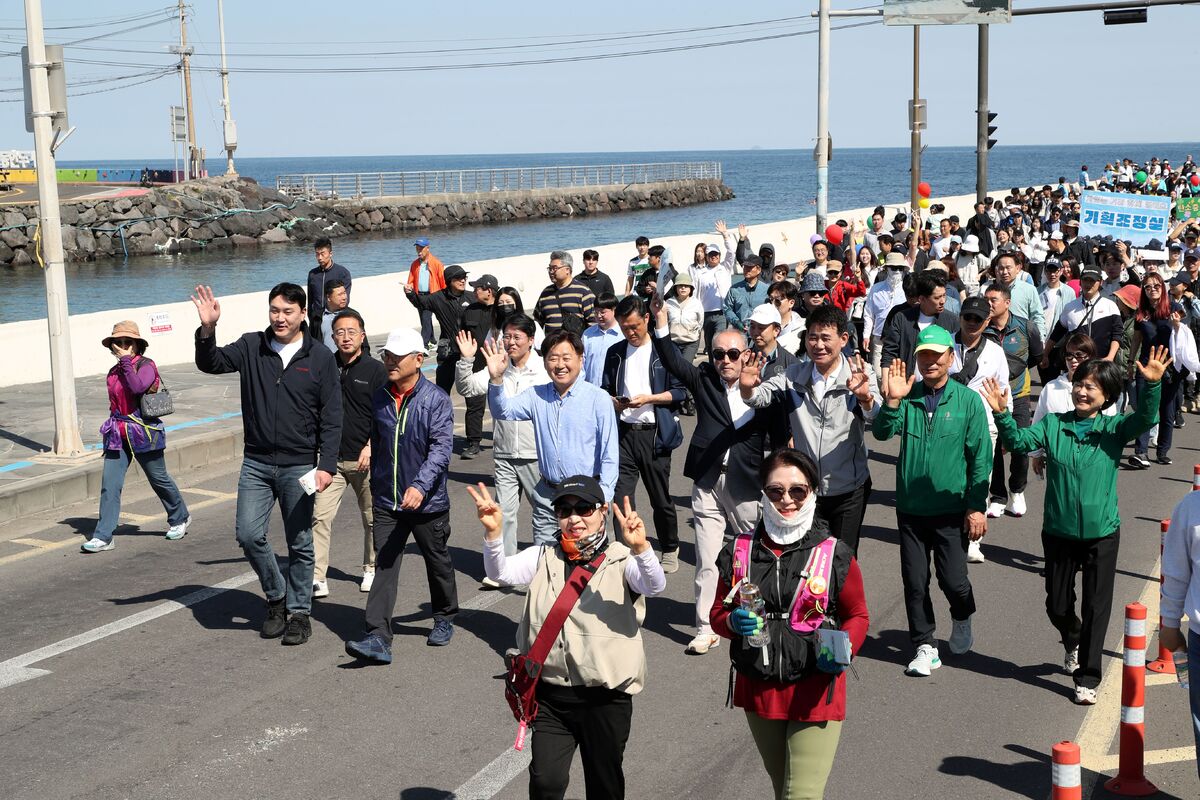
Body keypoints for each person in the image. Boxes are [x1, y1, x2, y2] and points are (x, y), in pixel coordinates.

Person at [980, 346, 1170, 704]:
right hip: (1059, 532)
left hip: (1102, 534)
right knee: (1057, 605)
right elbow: (1018, 442)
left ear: (1107, 396)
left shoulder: (1113, 429)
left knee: (1096, 608)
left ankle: (1087, 676)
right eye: (1079, 384)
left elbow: (1145, 418)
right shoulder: (1054, 423)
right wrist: (1003, 415)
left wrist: (1154, 386)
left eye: (1092, 388)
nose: (1082, 391)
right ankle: (1072, 636)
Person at [470, 477, 665, 800]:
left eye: (584, 508)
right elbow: (500, 573)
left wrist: (641, 548)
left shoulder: (620, 559)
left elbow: (653, 585)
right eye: (564, 510)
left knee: (604, 787)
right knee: (546, 783)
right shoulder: (543, 556)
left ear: (602, 512)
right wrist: (493, 534)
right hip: (550, 698)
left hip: (605, 699)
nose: (574, 518)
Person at [709, 449, 869, 800]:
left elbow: (858, 614)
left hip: (816, 685)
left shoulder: (834, 552)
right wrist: (733, 622)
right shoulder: (739, 550)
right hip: (760, 685)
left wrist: (845, 646)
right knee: (783, 789)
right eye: (776, 491)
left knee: (801, 795)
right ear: (763, 493)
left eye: (798, 491)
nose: (787, 500)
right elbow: (717, 615)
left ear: (812, 492)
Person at [192, 283, 342, 646]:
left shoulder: (320, 357)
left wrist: (326, 465)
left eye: (288, 311)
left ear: (303, 314)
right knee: (248, 534)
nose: (280, 317)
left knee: (301, 542)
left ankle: (300, 613)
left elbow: (332, 417)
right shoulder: (251, 345)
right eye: (275, 310)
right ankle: (276, 598)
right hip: (257, 462)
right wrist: (208, 329)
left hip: (299, 465)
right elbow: (210, 363)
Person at [649, 297, 777, 654]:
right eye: (718, 354)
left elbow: (780, 431)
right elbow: (674, 360)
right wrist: (660, 322)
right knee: (707, 559)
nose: (724, 361)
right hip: (707, 482)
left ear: (746, 354)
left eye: (732, 354)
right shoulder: (704, 378)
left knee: (755, 556)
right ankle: (706, 626)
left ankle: (758, 620)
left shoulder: (762, 385)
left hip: (747, 484)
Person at [873, 326, 991, 676]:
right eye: (923, 355)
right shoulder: (907, 395)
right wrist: (892, 400)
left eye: (937, 356)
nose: (929, 362)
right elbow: (881, 432)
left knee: (953, 581)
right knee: (914, 581)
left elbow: (981, 458)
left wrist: (976, 506)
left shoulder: (967, 401)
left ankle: (962, 615)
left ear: (951, 358)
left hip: (951, 508)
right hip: (911, 509)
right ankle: (925, 644)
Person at [345, 328, 457, 660]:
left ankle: (444, 616)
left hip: (427, 503)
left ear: (419, 360)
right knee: (386, 564)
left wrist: (420, 486)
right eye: (387, 356)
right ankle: (378, 636)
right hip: (388, 502)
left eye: (397, 356)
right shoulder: (380, 397)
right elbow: (379, 441)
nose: (389, 361)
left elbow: (440, 450)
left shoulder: (436, 400)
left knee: (437, 562)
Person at [741, 305, 881, 555]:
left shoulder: (860, 374)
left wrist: (865, 398)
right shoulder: (793, 375)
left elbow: (878, 419)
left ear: (843, 339)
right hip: (805, 489)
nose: (818, 345)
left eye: (826, 338)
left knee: (842, 558)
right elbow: (759, 398)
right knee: (806, 557)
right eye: (812, 337)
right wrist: (747, 389)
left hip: (849, 489)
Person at [486, 329, 619, 544]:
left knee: (588, 566)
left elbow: (610, 454)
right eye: (553, 358)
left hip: (586, 499)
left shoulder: (598, 399)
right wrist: (497, 379)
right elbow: (504, 411)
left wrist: (603, 496)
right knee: (547, 564)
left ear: (580, 359)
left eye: (566, 358)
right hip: (549, 496)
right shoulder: (536, 395)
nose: (559, 365)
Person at [83, 321, 191, 553]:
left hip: (144, 432)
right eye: (118, 343)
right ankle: (103, 536)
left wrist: (125, 363)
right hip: (117, 433)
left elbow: (137, 388)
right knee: (109, 485)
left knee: (158, 479)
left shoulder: (146, 365)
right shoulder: (113, 372)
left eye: (127, 342)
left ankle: (179, 517)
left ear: (136, 345)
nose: (122, 346)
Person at [456, 313, 549, 565]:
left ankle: (545, 564)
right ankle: (505, 566)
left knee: (543, 512)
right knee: (504, 513)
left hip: (536, 454)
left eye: (517, 337)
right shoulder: (498, 366)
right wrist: (466, 360)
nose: (510, 342)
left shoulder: (544, 369)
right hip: (504, 454)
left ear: (531, 340)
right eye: (506, 336)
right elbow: (467, 388)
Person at [602, 296, 686, 572]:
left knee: (659, 497)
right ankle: (624, 550)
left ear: (647, 319)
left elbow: (681, 392)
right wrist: (613, 401)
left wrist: (649, 399)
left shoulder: (665, 351)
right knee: (622, 494)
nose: (630, 332)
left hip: (655, 432)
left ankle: (670, 546)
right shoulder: (614, 352)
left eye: (635, 326)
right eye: (625, 327)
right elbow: (604, 389)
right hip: (624, 433)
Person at [311, 309, 388, 597]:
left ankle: (370, 568)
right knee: (319, 517)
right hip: (331, 461)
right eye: (340, 332)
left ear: (362, 335)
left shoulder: (375, 370)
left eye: (351, 332)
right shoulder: (325, 367)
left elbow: (384, 414)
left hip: (366, 460)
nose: (345, 337)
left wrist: (371, 445)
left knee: (371, 519)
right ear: (333, 337)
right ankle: (318, 577)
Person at [949, 296, 1011, 563]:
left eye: (978, 319)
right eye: (968, 317)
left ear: (987, 321)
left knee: (979, 480)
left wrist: (1004, 425)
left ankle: (974, 540)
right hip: (948, 420)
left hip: (984, 424)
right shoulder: (944, 344)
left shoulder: (995, 352)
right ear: (960, 316)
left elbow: (1003, 391)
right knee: (950, 478)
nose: (972, 323)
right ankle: (950, 532)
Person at [982, 283, 1043, 519]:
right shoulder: (981, 327)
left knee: (1019, 445)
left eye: (993, 299)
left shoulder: (1025, 327)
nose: (988, 303)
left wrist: (1015, 372)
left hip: (1017, 394)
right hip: (988, 397)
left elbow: (1037, 356)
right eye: (985, 299)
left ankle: (1017, 489)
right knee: (994, 446)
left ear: (1007, 302)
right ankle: (997, 496)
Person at [1159, 490, 1200, 780]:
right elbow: (1176, 571)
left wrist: (1171, 624)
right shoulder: (1191, 508)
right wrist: (1170, 624)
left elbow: (1176, 572)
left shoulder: (1192, 507)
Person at [1129, 272, 1176, 467]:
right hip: (1146, 366)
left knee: (1167, 411)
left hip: (1170, 367)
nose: (1152, 289)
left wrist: (1177, 324)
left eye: (1156, 285)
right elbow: (1137, 339)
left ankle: (1162, 451)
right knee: (1145, 409)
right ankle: (1141, 453)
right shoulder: (1141, 313)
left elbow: (1184, 335)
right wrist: (1131, 362)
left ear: (1163, 287)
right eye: (1147, 287)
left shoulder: (1174, 308)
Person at [403, 263, 470, 393]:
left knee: (472, 395)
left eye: (464, 277)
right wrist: (410, 293)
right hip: (448, 352)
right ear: (450, 280)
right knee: (441, 391)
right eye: (459, 278)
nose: (463, 280)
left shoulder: (471, 297)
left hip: (468, 352)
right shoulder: (438, 298)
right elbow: (420, 302)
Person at [880, 272, 961, 374]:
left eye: (944, 296)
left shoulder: (952, 320)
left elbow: (957, 354)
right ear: (921, 299)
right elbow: (889, 352)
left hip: (942, 385)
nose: (943, 301)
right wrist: (885, 381)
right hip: (908, 383)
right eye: (937, 298)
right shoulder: (902, 318)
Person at [458, 274, 499, 460]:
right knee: (474, 405)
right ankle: (473, 442)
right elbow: (462, 334)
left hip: (499, 363)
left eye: (478, 288)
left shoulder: (502, 310)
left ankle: (502, 441)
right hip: (476, 363)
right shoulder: (469, 310)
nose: (474, 291)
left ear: (489, 291)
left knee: (501, 404)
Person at [695, 222, 740, 355]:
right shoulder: (700, 273)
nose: (714, 256)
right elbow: (697, 294)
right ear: (706, 257)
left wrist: (725, 235)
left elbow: (732, 251)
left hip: (722, 313)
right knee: (709, 346)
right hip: (706, 314)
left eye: (716, 254)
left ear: (719, 256)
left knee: (719, 343)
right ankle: (712, 372)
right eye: (711, 254)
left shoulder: (725, 268)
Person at [862, 253, 909, 374]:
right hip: (879, 338)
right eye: (894, 268)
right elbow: (868, 313)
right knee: (878, 374)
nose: (897, 271)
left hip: (901, 339)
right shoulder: (876, 288)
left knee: (898, 374)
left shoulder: (908, 290)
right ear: (887, 268)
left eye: (900, 268)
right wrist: (866, 335)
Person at [535, 251, 596, 335]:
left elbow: (593, 323)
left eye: (554, 268)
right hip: (552, 346)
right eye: (549, 268)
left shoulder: (583, 292)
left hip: (575, 346)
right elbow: (537, 324)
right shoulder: (546, 293)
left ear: (567, 269)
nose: (551, 271)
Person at [407, 237, 445, 352]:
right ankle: (432, 341)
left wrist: (445, 295)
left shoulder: (437, 263)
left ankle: (423, 344)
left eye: (421, 248)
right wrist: (409, 287)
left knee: (426, 318)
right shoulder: (414, 264)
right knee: (424, 320)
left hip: (432, 295)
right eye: (417, 248)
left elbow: (442, 280)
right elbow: (411, 279)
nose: (419, 251)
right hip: (419, 295)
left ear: (427, 248)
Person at [306, 237, 352, 334]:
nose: (320, 258)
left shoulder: (342, 273)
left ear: (330, 253)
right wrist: (311, 317)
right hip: (317, 320)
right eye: (317, 254)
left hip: (336, 318)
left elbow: (344, 299)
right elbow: (310, 300)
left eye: (323, 254)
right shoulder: (313, 274)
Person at [748, 303, 801, 380]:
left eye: (761, 327)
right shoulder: (742, 358)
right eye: (752, 326)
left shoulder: (791, 363)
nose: (755, 332)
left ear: (776, 331)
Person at [582, 292, 622, 386]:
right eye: (596, 312)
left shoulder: (623, 334)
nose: (599, 316)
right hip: (591, 389)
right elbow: (581, 363)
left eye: (603, 312)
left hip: (615, 391)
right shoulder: (587, 334)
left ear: (614, 311)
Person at [724, 253, 769, 334]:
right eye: (745, 267)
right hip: (740, 332)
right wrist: (737, 322)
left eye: (750, 267)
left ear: (758, 270)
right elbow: (727, 308)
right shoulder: (734, 289)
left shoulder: (766, 290)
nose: (746, 269)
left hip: (759, 332)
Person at [768, 280, 805, 355]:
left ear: (791, 303)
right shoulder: (762, 324)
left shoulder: (802, 328)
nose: (772, 304)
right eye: (770, 300)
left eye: (777, 301)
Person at [317, 279, 350, 352]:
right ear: (328, 297)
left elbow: (364, 345)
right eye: (339, 295)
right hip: (325, 361)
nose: (344, 297)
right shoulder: (317, 317)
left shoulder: (352, 315)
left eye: (344, 293)